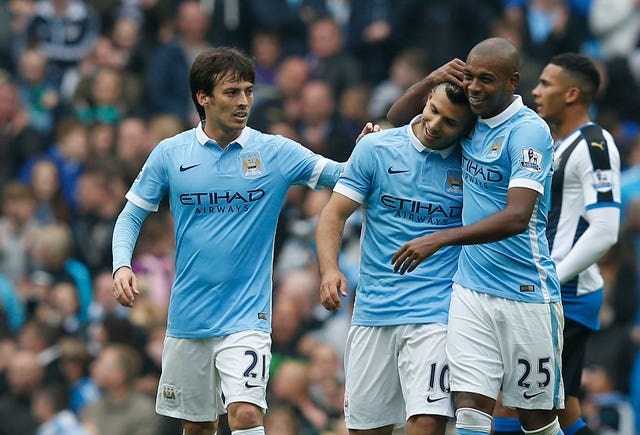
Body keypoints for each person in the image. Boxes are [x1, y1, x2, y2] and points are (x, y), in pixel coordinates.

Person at [111, 46, 353, 435]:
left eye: (249, 91)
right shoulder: (171, 154)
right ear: (202, 98)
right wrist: (122, 264)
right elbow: (131, 216)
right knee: (198, 426)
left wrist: (373, 149)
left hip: (246, 316)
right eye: (232, 92)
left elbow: (343, 176)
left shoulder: (275, 151)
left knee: (244, 413)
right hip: (188, 316)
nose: (244, 102)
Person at [388, 37, 564, 435]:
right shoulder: (470, 118)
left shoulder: (529, 132)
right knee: (469, 408)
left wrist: (440, 239)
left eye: (487, 79)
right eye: (469, 76)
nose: (475, 88)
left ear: (513, 82)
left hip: (525, 292)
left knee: (535, 419)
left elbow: (518, 216)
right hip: (470, 290)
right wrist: (432, 79)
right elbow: (399, 118)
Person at [315, 78, 475, 434]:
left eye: (450, 122)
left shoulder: (472, 164)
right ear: (428, 97)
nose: (435, 125)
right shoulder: (375, 148)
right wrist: (329, 270)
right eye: (433, 111)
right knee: (366, 430)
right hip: (374, 312)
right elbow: (333, 214)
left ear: (466, 127)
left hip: (436, 312)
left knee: (426, 421)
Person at [493, 53, 621, 435]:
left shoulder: (596, 144)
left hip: (565, 290)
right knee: (562, 410)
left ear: (571, 94)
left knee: (513, 403)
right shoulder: (558, 144)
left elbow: (605, 229)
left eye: (546, 84)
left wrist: (552, 278)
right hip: (551, 287)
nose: (535, 90)